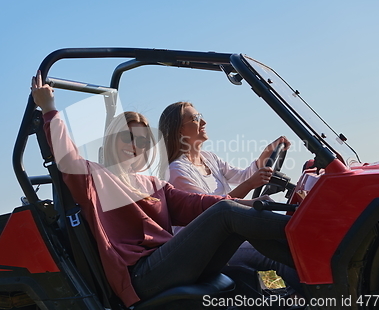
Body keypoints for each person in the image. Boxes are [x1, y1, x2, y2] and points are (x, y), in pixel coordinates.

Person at [31, 71, 294, 307]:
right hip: (142, 274)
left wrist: (260, 205)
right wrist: (49, 108)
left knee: (235, 232)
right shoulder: (95, 179)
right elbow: (67, 158)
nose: (136, 146)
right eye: (128, 138)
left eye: (143, 141)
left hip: (170, 263)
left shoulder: (154, 185)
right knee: (227, 212)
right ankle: (309, 229)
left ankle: (310, 255)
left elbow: (199, 204)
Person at [158, 101, 303, 295]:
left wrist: (266, 154)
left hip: (229, 235)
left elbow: (242, 176)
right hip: (209, 247)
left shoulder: (209, 158)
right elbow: (212, 212)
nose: (204, 122)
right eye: (195, 118)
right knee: (278, 257)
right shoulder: (177, 171)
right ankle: (320, 299)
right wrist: (251, 186)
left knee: (288, 240)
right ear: (179, 131)